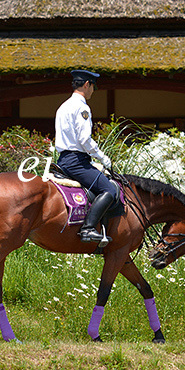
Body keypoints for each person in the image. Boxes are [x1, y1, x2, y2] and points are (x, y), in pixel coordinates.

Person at [54, 69, 117, 243]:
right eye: (93, 87)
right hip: (77, 162)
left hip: (63, 160)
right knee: (110, 189)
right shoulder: (82, 107)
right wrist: (102, 157)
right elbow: (84, 139)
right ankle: (88, 229)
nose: (93, 91)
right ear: (87, 85)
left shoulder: (63, 106)